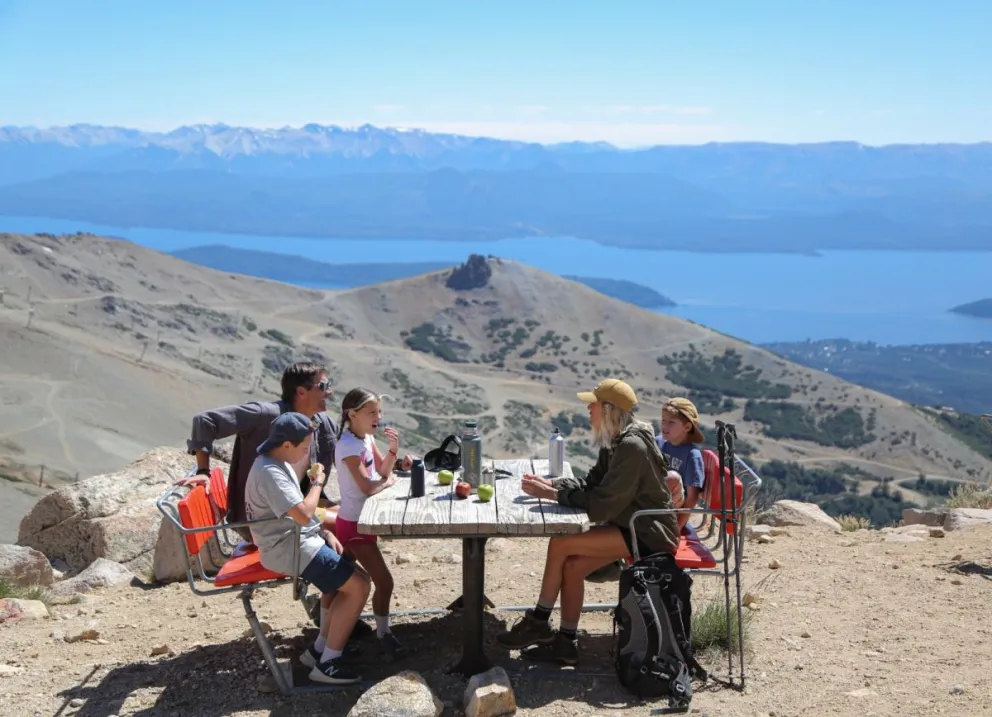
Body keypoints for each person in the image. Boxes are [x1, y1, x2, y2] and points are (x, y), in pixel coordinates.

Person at [185, 361, 375, 640]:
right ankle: (335, 614)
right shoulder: (265, 415)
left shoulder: (321, 424)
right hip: (264, 520)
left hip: (292, 508)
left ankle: (336, 608)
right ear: (300, 391)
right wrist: (202, 471)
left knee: (355, 517)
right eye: (323, 386)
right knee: (345, 525)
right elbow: (205, 420)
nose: (330, 392)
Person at [496, 378, 678, 666]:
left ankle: (539, 622)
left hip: (647, 533)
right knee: (572, 565)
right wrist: (554, 484)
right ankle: (566, 644)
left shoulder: (631, 446)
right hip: (629, 524)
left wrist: (555, 494)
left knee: (560, 543)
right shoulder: (616, 440)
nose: (588, 410)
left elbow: (603, 504)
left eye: (592, 405)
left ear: (608, 409)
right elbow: (592, 482)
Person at [244, 412, 372, 685]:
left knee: (346, 581)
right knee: (359, 586)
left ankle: (319, 652)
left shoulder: (277, 463)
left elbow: (297, 516)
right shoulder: (270, 472)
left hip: (297, 539)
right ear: (286, 445)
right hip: (287, 547)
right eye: (304, 446)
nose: (307, 452)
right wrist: (317, 484)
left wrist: (324, 532)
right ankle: (328, 664)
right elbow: (302, 513)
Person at [333, 387, 412, 662]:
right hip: (354, 526)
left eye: (379, 412)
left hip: (360, 522)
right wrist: (386, 483)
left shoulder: (364, 438)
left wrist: (393, 450)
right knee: (385, 582)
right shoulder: (347, 447)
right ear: (352, 414)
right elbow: (369, 486)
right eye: (371, 412)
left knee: (337, 581)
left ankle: (326, 636)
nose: (377, 417)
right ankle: (383, 635)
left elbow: (382, 470)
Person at [657, 397, 707, 532]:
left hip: (673, 505)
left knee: (672, 477)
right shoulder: (658, 443)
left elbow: (692, 497)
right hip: (655, 497)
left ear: (687, 427)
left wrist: (677, 528)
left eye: (671, 422)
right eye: (663, 421)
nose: (664, 426)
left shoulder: (692, 455)